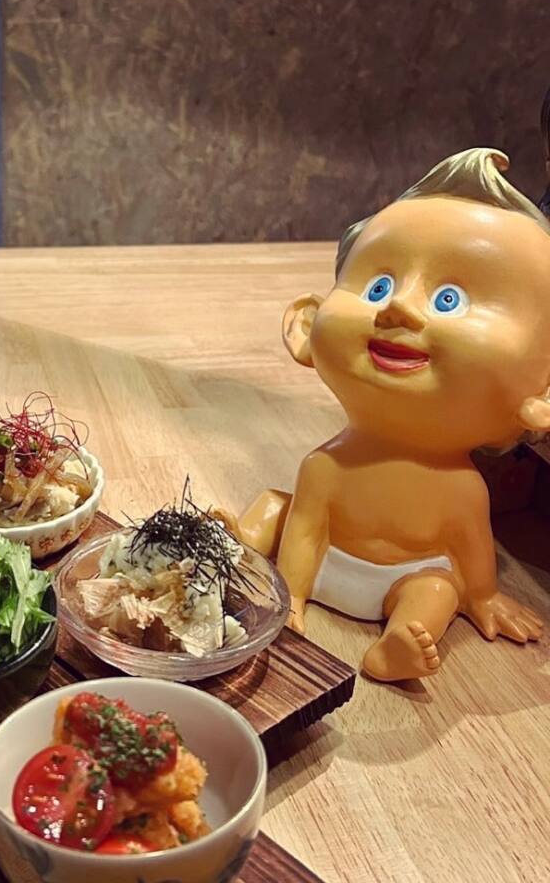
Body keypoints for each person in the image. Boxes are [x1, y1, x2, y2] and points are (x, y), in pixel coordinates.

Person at [220, 148, 547, 682]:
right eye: (379, 287)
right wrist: (290, 599)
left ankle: (397, 646)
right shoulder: (327, 465)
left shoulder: (463, 489)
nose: (398, 308)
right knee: (277, 509)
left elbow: (470, 552)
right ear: (306, 326)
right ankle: (237, 545)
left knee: (436, 589)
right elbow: (306, 532)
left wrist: (483, 596)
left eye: (448, 299)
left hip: (408, 575)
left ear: (543, 393)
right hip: (322, 562)